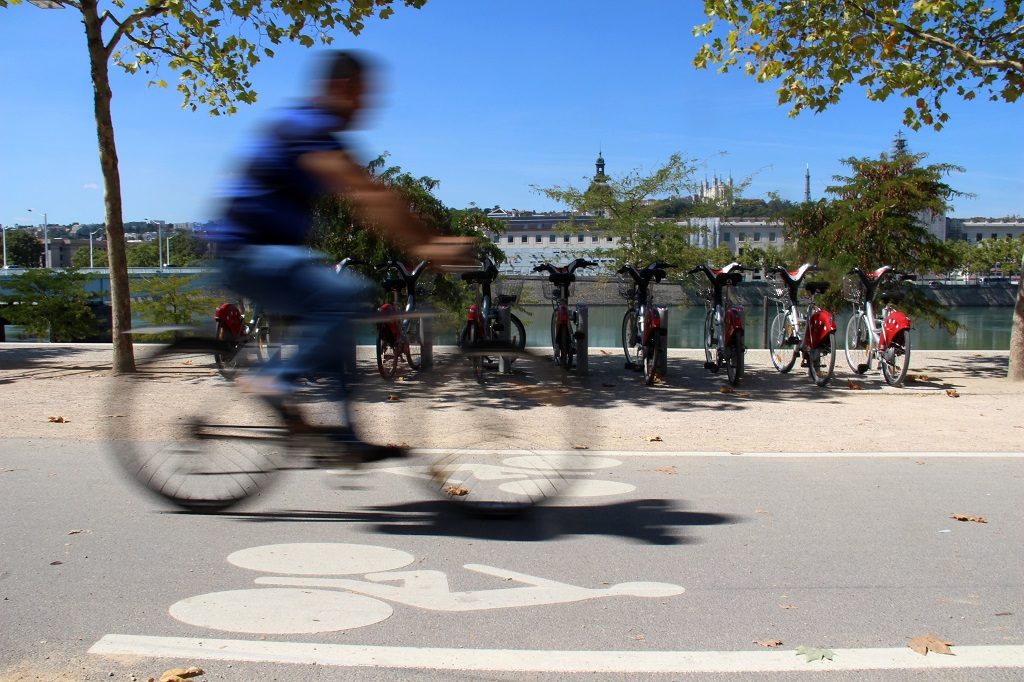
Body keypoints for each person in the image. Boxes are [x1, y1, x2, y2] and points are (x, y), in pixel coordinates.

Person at [210, 50, 470, 462]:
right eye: (364, 96)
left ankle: (344, 437)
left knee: (335, 322)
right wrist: (426, 244)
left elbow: (371, 195)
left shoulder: (321, 133)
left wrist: (424, 239)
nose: (367, 108)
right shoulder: (305, 126)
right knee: (342, 295)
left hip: (273, 252)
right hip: (247, 252)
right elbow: (369, 196)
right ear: (342, 87)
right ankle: (273, 378)